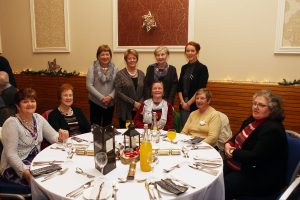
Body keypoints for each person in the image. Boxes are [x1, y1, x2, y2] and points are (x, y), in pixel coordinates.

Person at [224, 90, 288, 199]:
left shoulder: (273, 129)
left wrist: (232, 152)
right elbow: (237, 137)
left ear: (272, 109)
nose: (255, 107)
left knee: (224, 184)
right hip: (242, 166)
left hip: (261, 177)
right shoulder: (251, 120)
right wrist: (228, 143)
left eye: (261, 105)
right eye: (254, 103)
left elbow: (255, 157)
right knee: (214, 176)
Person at [0, 88, 68, 186]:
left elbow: (53, 136)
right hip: (14, 168)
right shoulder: (12, 123)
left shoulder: (38, 118)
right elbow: (11, 155)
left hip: (35, 163)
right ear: (17, 106)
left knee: (60, 173)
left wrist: (61, 136)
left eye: (33, 101)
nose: (30, 104)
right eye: (25, 101)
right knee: (47, 184)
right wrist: (25, 173)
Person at [178, 41, 209, 128]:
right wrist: (183, 102)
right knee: (184, 129)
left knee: (194, 129)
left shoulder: (202, 68)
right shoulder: (184, 68)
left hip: (196, 104)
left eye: (192, 51)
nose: (190, 53)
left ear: (197, 52)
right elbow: (179, 87)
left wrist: (188, 104)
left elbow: (200, 90)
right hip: (183, 104)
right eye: (187, 51)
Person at [86, 45, 118, 127]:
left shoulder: (115, 68)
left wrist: (110, 97)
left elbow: (117, 86)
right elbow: (89, 85)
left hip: (110, 103)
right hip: (95, 102)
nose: (105, 57)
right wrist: (102, 98)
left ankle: (107, 140)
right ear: (98, 56)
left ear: (110, 56)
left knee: (108, 127)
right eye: (102, 54)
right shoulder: (92, 67)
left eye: (107, 54)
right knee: (95, 127)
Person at [115, 49, 145, 128]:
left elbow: (145, 91)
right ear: (126, 60)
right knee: (125, 134)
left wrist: (140, 103)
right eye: (129, 58)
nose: (132, 60)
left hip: (139, 109)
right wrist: (134, 103)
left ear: (137, 59)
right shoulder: (120, 74)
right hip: (124, 109)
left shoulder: (142, 74)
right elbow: (119, 93)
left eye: (134, 58)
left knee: (138, 133)